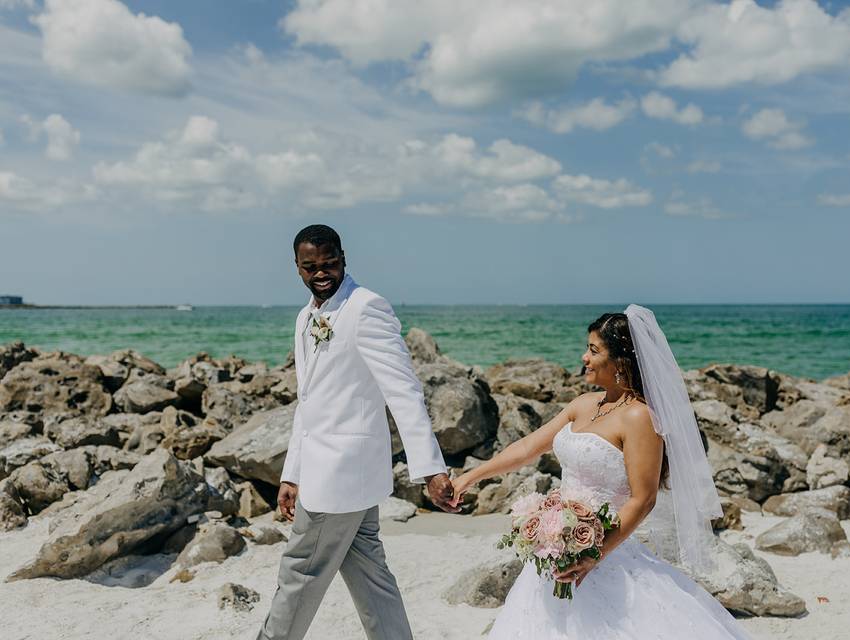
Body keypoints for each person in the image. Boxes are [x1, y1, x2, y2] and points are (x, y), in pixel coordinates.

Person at [452, 306, 751, 639]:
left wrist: (594, 554)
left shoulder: (639, 418)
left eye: (594, 350)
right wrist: (470, 477)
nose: (584, 357)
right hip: (557, 550)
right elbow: (527, 449)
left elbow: (643, 498)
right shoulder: (583, 403)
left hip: (607, 550)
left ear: (621, 361)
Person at [258, 224, 459, 640]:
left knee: (299, 572)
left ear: (343, 257)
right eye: (309, 266)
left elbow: (403, 390)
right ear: (296, 267)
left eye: (329, 263)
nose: (321, 273)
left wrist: (430, 468)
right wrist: (292, 472)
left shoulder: (367, 307)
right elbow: (308, 401)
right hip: (335, 477)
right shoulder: (305, 317)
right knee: (371, 577)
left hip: (341, 476)